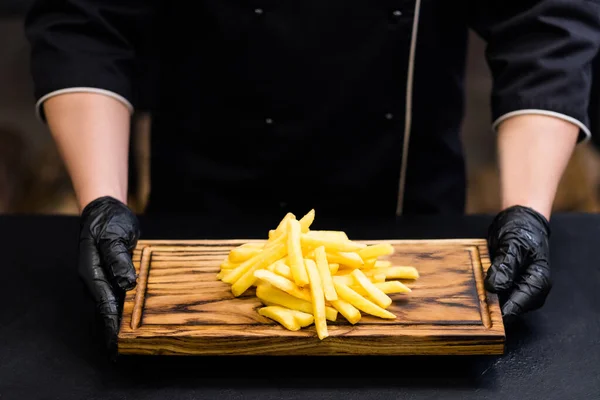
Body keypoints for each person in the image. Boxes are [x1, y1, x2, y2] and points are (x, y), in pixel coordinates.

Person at [24, 0, 600, 354]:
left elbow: (543, 19)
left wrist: (527, 211)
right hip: (193, 227)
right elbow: (86, 18)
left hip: (412, 217)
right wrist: (103, 201)